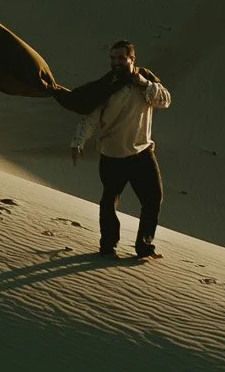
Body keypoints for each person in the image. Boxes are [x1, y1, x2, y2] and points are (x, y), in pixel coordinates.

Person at [70, 40, 172, 260]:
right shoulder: (107, 86)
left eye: (121, 58)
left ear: (132, 59)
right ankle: (107, 247)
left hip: (142, 153)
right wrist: (78, 141)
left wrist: (145, 83)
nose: (116, 63)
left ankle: (144, 246)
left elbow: (165, 100)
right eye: (112, 58)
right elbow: (91, 118)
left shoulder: (147, 84)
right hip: (112, 155)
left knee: (153, 199)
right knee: (109, 202)